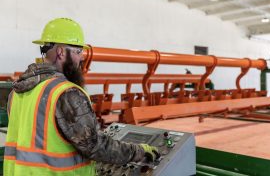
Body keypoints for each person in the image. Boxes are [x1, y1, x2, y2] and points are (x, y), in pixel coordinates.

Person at [4, 18, 159, 176]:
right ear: (61, 52)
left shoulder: (17, 93)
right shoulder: (65, 92)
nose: (82, 58)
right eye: (78, 52)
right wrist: (139, 152)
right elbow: (95, 146)